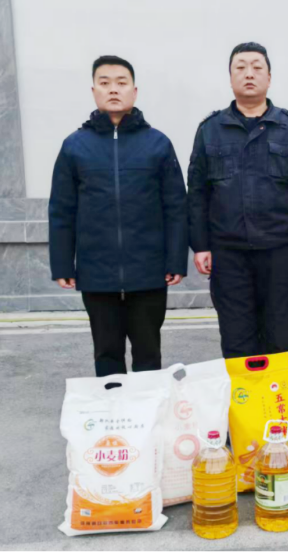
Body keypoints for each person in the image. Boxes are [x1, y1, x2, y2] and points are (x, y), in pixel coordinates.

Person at [188, 42, 288, 397]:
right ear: (230, 77)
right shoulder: (210, 129)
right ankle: (246, 413)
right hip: (228, 254)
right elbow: (197, 193)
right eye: (240, 67)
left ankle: (282, 412)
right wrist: (200, 245)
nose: (249, 73)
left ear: (269, 77)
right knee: (236, 338)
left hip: (280, 252)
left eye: (256, 67)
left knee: (279, 336)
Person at [49, 55, 188, 377]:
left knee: (148, 353)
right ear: (94, 91)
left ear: (134, 91)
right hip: (96, 273)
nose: (113, 89)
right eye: (105, 83)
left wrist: (175, 260)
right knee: (107, 353)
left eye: (121, 83)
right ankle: (112, 407)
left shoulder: (157, 144)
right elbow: (61, 210)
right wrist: (62, 264)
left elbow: (176, 207)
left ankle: (148, 408)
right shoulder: (75, 146)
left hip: (148, 271)